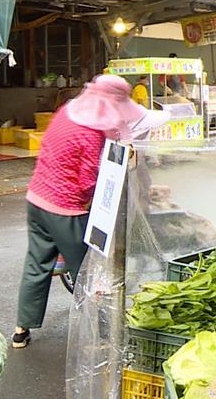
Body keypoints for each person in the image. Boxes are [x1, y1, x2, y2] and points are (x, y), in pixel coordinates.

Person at [13, 75, 169, 348]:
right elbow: (89, 181)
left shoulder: (68, 112)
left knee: (36, 264)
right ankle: (103, 335)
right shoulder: (91, 131)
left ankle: (21, 329)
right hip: (66, 209)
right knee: (90, 270)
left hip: (36, 199)